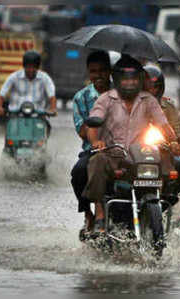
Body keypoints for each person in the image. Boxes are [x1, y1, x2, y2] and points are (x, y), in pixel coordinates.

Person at [82, 55, 180, 233]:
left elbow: (163, 124)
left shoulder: (148, 100)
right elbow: (92, 123)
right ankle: (99, 213)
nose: (129, 83)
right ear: (117, 79)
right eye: (125, 79)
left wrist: (173, 141)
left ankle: (164, 207)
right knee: (96, 161)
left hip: (140, 155)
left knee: (169, 163)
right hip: (112, 154)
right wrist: (96, 141)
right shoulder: (106, 99)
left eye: (134, 79)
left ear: (140, 79)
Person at [143, 64, 180, 232]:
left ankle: (170, 204)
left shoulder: (168, 106)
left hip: (164, 150)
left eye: (155, 86)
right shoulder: (132, 104)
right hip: (137, 151)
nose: (152, 89)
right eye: (148, 85)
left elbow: (178, 128)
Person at [70, 50, 112, 233]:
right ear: (88, 73)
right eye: (94, 71)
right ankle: (88, 213)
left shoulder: (121, 92)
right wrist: (96, 139)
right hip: (93, 149)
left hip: (121, 147)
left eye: (103, 70)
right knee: (79, 171)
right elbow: (82, 130)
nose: (99, 75)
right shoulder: (81, 98)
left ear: (110, 71)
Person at [0, 50, 57, 134]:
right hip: (15, 115)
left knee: (46, 128)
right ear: (24, 66)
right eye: (28, 67)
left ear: (37, 67)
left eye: (33, 67)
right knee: (9, 133)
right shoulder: (14, 77)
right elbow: (2, 94)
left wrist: (53, 109)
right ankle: (9, 145)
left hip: (38, 116)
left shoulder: (45, 78)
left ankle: (42, 144)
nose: (31, 70)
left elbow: (52, 96)